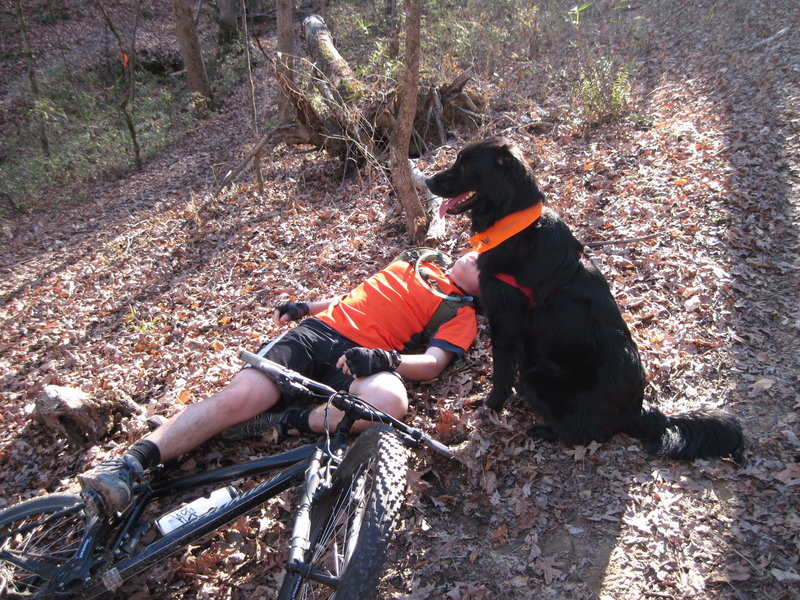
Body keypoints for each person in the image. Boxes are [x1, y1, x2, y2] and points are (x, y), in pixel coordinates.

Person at [79, 249, 481, 513]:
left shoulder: (461, 314)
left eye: (489, 264)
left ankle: (283, 423)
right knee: (239, 398)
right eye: (480, 251)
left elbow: (431, 363)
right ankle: (131, 465)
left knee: (389, 403)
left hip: (362, 361)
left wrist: (386, 359)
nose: (477, 255)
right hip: (317, 334)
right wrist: (307, 306)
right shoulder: (417, 261)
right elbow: (355, 296)